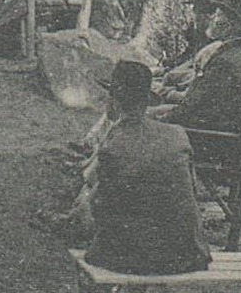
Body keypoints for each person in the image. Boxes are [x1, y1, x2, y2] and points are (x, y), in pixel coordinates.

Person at [83, 61, 213, 276]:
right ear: (146, 103)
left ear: (113, 103)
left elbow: (96, 199)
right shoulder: (177, 133)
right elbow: (192, 190)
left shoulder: (114, 139)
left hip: (130, 258)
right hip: (188, 255)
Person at [152, 0, 241, 136]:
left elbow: (190, 106)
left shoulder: (224, 61)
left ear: (227, 25)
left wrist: (160, 121)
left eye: (218, 14)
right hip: (231, 127)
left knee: (145, 117)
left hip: (212, 133)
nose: (212, 18)